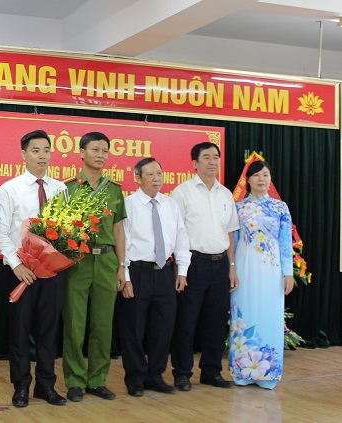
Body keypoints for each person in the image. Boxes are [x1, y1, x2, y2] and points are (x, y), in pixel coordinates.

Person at [0, 129, 67, 408]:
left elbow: (64, 230)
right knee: (20, 332)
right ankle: (21, 386)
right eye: (36, 151)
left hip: (52, 271)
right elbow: (0, 232)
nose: (42, 156)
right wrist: (16, 265)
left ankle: (46, 386)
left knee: (49, 331)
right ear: (24, 154)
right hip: (21, 272)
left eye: (46, 150)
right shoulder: (10, 189)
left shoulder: (60, 189)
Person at [118, 158, 191, 397]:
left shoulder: (170, 205)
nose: (157, 178)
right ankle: (135, 378)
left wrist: (182, 271)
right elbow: (123, 243)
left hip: (164, 272)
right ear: (138, 178)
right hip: (137, 272)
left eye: (159, 173)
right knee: (133, 328)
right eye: (150, 174)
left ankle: (155, 376)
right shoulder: (128, 205)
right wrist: (125, 277)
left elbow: (181, 239)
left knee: (163, 327)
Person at [62, 131, 126, 402]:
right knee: (74, 324)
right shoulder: (68, 188)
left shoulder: (114, 189)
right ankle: (75, 381)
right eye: (95, 150)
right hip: (78, 261)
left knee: (102, 325)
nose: (100, 155)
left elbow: (119, 229)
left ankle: (97, 380)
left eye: (105, 151)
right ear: (82, 152)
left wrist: (122, 266)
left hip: (107, 261)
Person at [170, 142, 239, 391]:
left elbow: (230, 232)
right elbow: (176, 233)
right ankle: (182, 373)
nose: (212, 161)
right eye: (206, 157)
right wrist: (180, 270)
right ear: (195, 163)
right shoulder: (182, 192)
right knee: (186, 321)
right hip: (193, 264)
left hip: (220, 264)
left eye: (216, 157)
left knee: (216, 322)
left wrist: (232, 266)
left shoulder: (226, 194)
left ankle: (211, 372)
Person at [228, 160, 293, 389]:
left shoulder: (280, 208)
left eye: (265, 175)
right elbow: (233, 241)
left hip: (271, 271)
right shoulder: (238, 208)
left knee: (269, 316)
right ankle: (242, 371)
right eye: (256, 175)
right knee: (244, 315)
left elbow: (285, 243)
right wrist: (232, 268)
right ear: (248, 180)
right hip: (244, 269)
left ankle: (268, 373)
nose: (261, 179)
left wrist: (288, 273)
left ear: (270, 179)